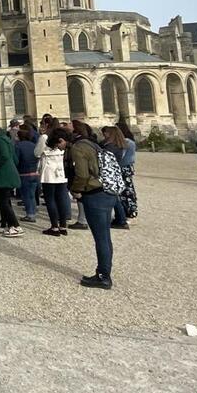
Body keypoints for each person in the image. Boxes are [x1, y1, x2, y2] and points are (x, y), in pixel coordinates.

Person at [67, 120, 112, 289]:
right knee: (105, 237)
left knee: (100, 238)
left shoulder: (79, 147)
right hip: (107, 192)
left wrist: (75, 190)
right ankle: (104, 272)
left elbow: (82, 174)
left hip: (94, 194)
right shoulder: (94, 144)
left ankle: (103, 277)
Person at [0, 123, 23, 237]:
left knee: (3, 202)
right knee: (6, 201)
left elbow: (4, 155)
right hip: (9, 171)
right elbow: (13, 158)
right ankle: (10, 225)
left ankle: (16, 226)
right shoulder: (6, 139)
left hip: (3, 173)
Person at [38, 128, 71, 236]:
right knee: (61, 199)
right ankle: (63, 225)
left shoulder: (47, 147)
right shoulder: (64, 149)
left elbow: (37, 153)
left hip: (49, 174)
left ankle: (54, 226)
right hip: (61, 174)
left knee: (50, 200)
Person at [100, 126, 130, 229]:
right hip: (115, 172)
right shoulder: (119, 145)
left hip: (109, 172)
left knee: (113, 197)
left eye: (106, 133)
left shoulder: (110, 147)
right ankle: (121, 219)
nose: (104, 135)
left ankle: (121, 220)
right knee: (115, 197)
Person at [15, 128, 39, 222]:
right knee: (32, 194)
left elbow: (16, 159)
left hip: (24, 173)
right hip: (35, 172)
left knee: (26, 195)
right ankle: (33, 209)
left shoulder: (18, 146)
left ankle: (30, 214)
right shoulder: (34, 145)